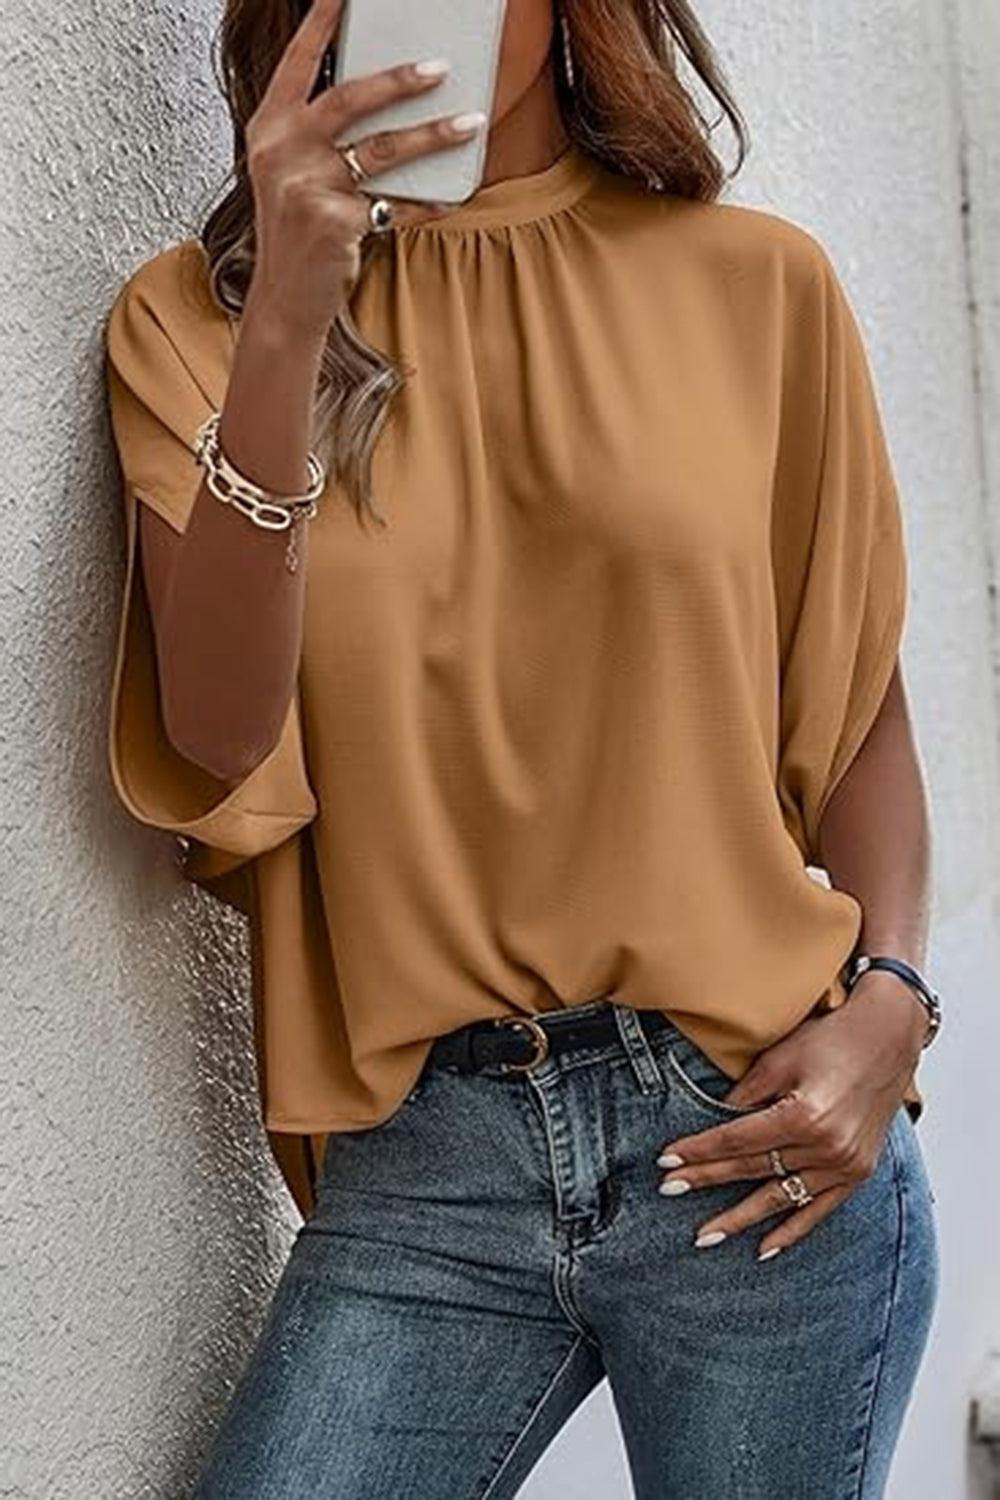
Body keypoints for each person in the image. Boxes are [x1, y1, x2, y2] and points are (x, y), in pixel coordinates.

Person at [103, 0, 940, 1493]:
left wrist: (893, 1004)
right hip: (427, 1166)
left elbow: (855, 709)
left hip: (745, 1134)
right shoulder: (196, 326)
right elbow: (220, 735)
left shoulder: (758, 289)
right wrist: (292, 314)